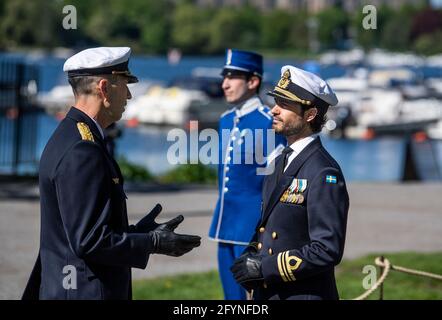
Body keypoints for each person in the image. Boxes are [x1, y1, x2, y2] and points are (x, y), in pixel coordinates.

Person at [22, 47, 201, 300]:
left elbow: (83, 226)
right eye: (124, 84)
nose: (128, 95)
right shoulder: (82, 150)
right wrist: (152, 242)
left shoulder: (71, 135)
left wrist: (136, 232)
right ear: (104, 89)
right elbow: (89, 240)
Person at [231, 65, 349, 300]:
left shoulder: (324, 171)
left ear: (310, 114)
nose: (274, 110)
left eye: (284, 105)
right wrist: (250, 255)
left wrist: (265, 269)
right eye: (276, 102)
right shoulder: (280, 160)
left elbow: (327, 250)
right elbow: (267, 227)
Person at [208, 49, 285, 300]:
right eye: (224, 76)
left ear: (253, 82)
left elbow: (277, 182)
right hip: (224, 224)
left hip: (251, 229)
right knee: (231, 298)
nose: (225, 83)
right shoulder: (226, 120)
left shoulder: (267, 121)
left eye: (233, 77)